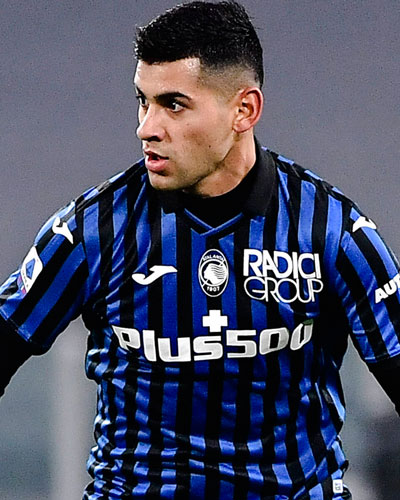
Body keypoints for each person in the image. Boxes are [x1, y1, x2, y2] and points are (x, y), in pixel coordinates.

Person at [0, 1, 399, 498]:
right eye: (143, 101)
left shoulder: (332, 232)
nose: (147, 127)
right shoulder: (92, 232)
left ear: (244, 110)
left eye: (173, 104)